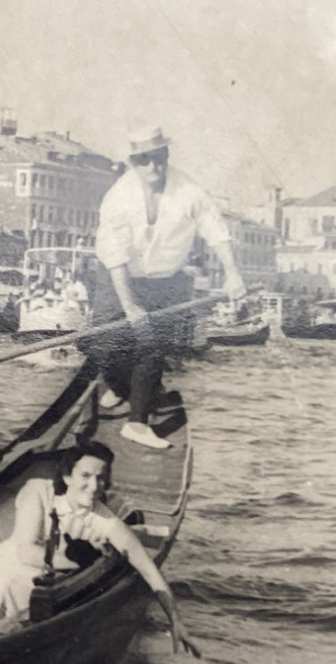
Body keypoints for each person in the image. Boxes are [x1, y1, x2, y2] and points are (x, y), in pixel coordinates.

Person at [88, 125, 246, 450]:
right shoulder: (117, 198)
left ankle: (137, 423)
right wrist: (130, 306)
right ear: (133, 162)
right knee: (106, 343)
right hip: (119, 275)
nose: (153, 168)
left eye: (159, 159)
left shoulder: (189, 190)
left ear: (167, 156)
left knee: (151, 347)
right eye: (144, 161)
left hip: (165, 278)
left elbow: (215, 229)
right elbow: (114, 256)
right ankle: (119, 386)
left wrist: (233, 274)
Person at [0, 442, 182, 641]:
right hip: (3, 571)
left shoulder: (103, 518)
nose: (94, 486)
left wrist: (176, 622)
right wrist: (74, 561)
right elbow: (26, 552)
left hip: (38, 588)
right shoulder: (38, 491)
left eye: (101, 478)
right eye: (85, 476)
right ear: (67, 476)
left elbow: (148, 569)